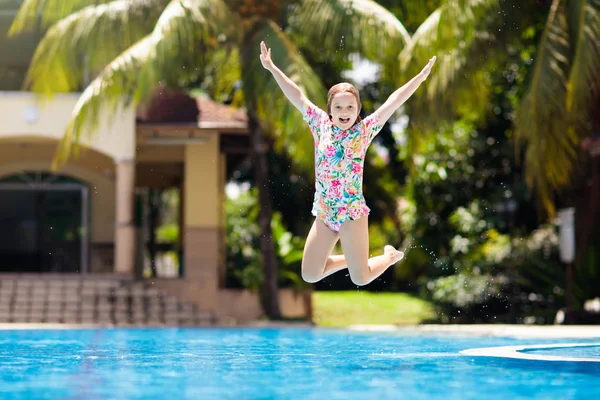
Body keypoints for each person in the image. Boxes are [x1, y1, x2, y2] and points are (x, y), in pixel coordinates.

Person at [260, 41, 436, 286]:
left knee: (361, 278)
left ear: (358, 109)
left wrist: (420, 78)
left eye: (350, 106)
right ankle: (354, 259)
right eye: (339, 107)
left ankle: (388, 257)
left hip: (351, 211)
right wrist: (272, 68)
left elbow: (393, 102)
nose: (345, 111)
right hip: (325, 211)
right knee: (310, 274)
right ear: (330, 110)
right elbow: (296, 95)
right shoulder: (319, 123)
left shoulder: (365, 130)